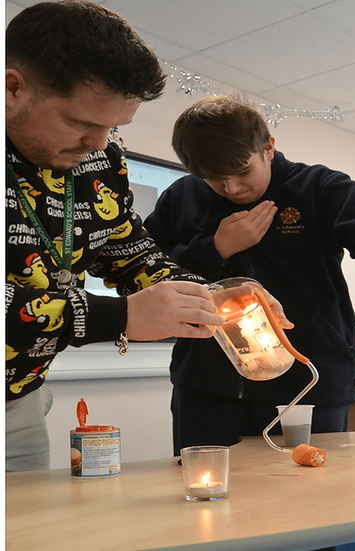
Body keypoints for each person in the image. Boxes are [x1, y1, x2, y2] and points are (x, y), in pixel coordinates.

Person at [144, 96, 355, 454]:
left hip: (310, 384)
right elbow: (146, 269)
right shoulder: (182, 198)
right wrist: (215, 247)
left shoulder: (318, 187)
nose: (231, 188)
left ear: (268, 147)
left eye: (242, 172)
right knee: (207, 496)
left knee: (316, 500)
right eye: (214, 179)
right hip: (206, 387)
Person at [5, 0, 224, 472]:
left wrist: (214, 298)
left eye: (113, 127)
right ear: (12, 87)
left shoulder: (101, 160)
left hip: (19, 399)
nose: (100, 143)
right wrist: (120, 316)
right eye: (83, 123)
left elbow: (129, 252)